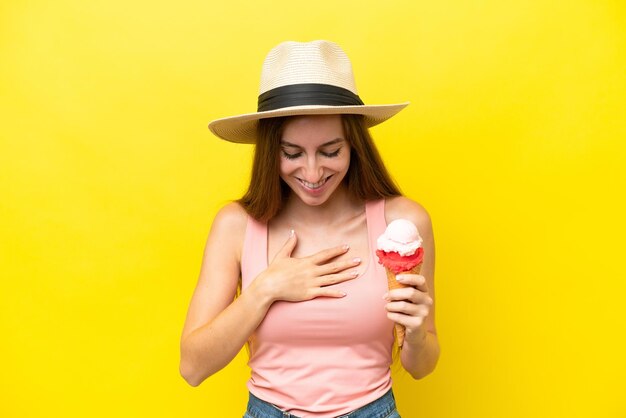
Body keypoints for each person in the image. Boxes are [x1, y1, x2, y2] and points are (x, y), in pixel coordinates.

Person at [180, 40, 439, 418]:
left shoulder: (403, 223)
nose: (313, 173)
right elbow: (192, 367)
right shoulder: (237, 225)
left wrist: (415, 333)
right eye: (293, 153)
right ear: (272, 151)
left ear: (354, 146)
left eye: (331, 151)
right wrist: (265, 289)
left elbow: (422, 365)